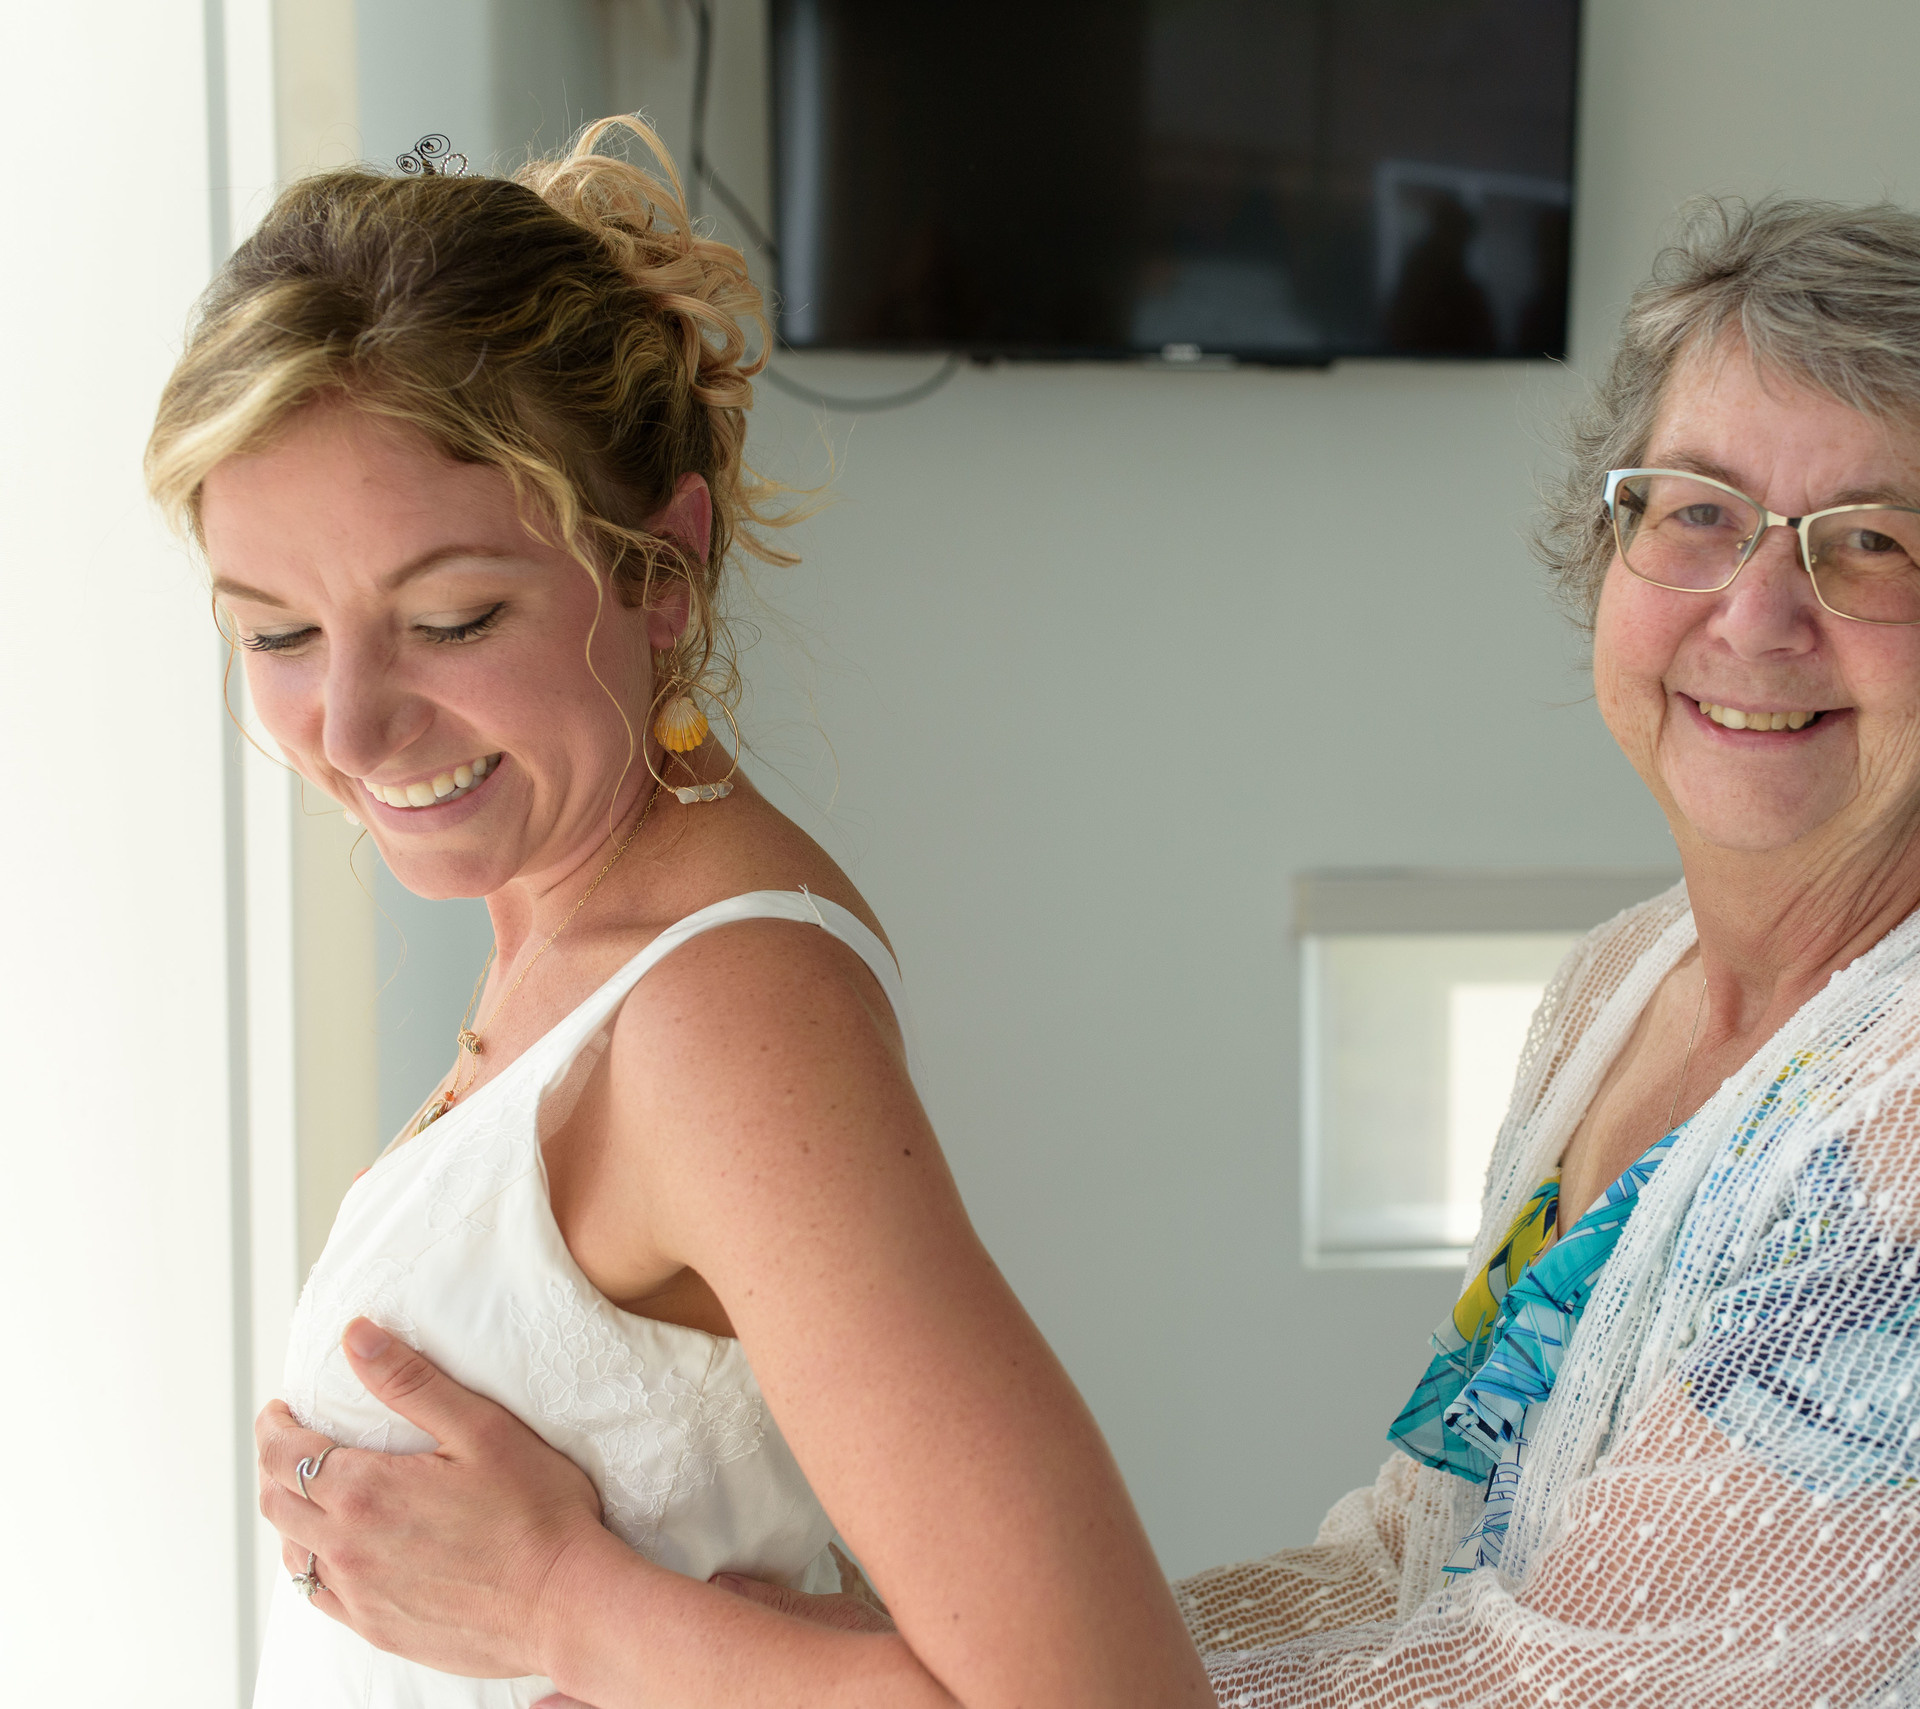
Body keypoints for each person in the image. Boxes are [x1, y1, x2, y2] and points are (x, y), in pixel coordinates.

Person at [254, 199, 1920, 1706]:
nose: (1752, 612)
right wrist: (902, 1657)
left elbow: (1582, 1693)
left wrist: (605, 1623)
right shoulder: (1614, 990)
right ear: (1604, 556)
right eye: (1688, 510)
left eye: (1868, 541)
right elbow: (1422, 1559)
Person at [154, 118, 1213, 1707]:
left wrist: (563, 1605)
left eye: (451, 617)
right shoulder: (567, 940)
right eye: (280, 631)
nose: (353, 728)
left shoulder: (722, 1014)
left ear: (664, 568)